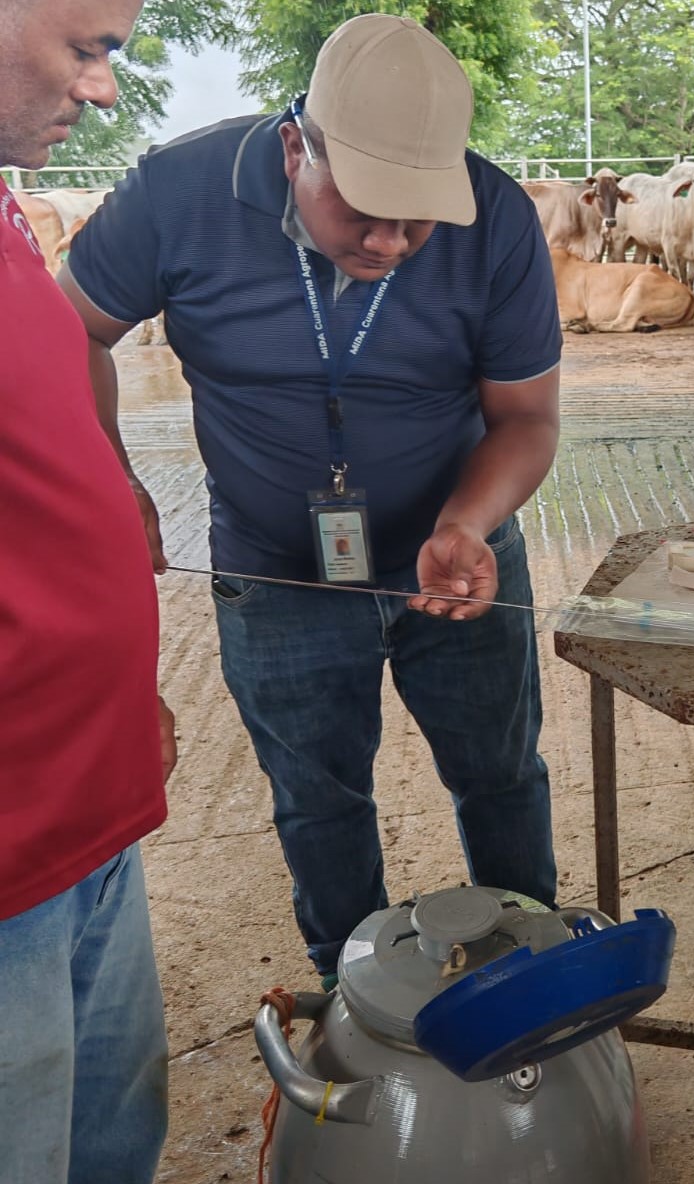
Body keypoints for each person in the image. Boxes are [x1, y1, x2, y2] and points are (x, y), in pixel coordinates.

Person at [59, 13, 563, 990]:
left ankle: (530, 974)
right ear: (298, 148)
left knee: (501, 773)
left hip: (449, 558)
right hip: (274, 565)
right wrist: (111, 477)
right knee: (318, 796)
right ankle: (353, 994)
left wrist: (465, 521)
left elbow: (529, 417)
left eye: (419, 218)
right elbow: (68, 327)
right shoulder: (180, 192)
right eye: (366, 209)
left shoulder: (494, 216)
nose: (391, 240)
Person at [0, 1, 177, 1181]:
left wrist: (118, 697)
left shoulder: (7, 211)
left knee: (111, 1144)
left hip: (87, 803)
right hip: (12, 852)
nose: (106, 90)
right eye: (86, 47)